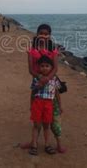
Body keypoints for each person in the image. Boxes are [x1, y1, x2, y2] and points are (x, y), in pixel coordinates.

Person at [22, 24, 66, 153]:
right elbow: (31, 69)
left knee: (55, 117)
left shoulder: (53, 50)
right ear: (37, 34)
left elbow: (55, 69)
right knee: (37, 118)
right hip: (37, 83)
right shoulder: (32, 50)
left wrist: (47, 78)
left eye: (46, 33)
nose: (43, 35)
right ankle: (33, 142)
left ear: (50, 35)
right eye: (41, 33)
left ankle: (58, 143)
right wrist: (40, 78)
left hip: (52, 83)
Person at [29, 56, 61, 156]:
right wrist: (31, 105)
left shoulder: (54, 79)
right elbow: (32, 92)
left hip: (49, 104)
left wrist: (60, 106)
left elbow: (57, 93)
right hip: (38, 103)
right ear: (39, 67)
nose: (45, 68)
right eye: (42, 66)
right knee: (36, 125)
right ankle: (34, 144)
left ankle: (47, 144)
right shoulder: (36, 78)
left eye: (47, 66)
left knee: (46, 126)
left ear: (51, 67)